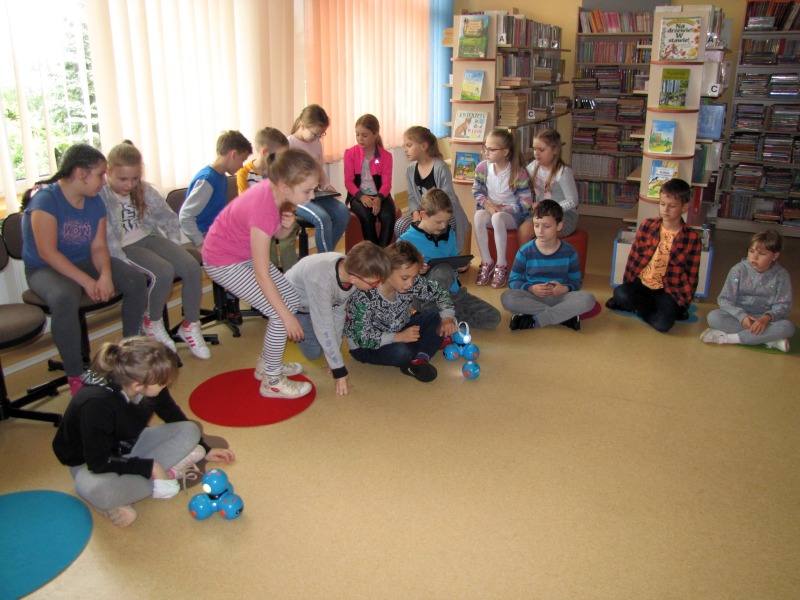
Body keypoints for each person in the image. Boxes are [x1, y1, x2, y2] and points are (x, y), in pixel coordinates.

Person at [52, 337, 236, 528]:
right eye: (163, 383)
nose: (167, 384)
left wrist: (205, 449)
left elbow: (172, 414)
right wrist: (151, 467)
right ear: (137, 385)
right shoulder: (97, 404)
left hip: (128, 444)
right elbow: (98, 462)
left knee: (190, 430)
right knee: (105, 494)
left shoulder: (145, 379)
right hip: (89, 463)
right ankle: (117, 497)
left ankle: (151, 479)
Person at [20, 144, 148, 396]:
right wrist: (89, 282)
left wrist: (105, 275)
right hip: (44, 268)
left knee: (134, 279)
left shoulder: (94, 201)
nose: (104, 181)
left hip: (84, 260)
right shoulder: (45, 201)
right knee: (64, 295)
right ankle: (76, 374)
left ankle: (128, 354)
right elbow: (48, 253)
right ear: (80, 173)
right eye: (100, 174)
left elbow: (99, 246)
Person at [202, 149, 320, 399]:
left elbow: (272, 234)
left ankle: (267, 364)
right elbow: (262, 273)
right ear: (286, 186)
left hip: (241, 254)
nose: (311, 196)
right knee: (279, 313)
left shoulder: (275, 192)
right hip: (222, 261)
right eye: (308, 191)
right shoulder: (263, 207)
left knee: (289, 299)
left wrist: (285, 228)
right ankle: (272, 381)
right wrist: (286, 317)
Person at [100, 141, 210, 360]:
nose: (129, 184)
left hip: (146, 237)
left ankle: (190, 325)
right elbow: (108, 238)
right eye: (123, 179)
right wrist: (121, 264)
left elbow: (167, 217)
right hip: (122, 247)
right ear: (108, 173)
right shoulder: (101, 195)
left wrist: (173, 243)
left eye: (134, 178)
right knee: (163, 271)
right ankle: (152, 321)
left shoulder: (143, 189)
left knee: (190, 266)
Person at [284, 241, 391, 395]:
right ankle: (292, 328)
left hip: (319, 304)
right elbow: (324, 325)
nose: (376, 286)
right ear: (354, 279)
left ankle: (314, 328)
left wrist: (335, 357)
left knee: (326, 342)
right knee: (314, 353)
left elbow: (339, 313)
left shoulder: (351, 274)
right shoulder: (322, 280)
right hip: (294, 307)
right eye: (373, 283)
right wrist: (339, 370)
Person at [345, 240, 457, 383]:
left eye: (414, 277)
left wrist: (447, 318)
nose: (410, 283)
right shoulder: (365, 295)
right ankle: (420, 348)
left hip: (400, 327)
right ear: (386, 271)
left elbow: (440, 293)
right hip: (366, 346)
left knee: (437, 318)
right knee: (402, 352)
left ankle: (420, 358)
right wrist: (397, 337)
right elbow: (362, 338)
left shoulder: (411, 282)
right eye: (405, 278)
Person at [606, 178, 701, 333]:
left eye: (672, 206)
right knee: (620, 293)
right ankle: (652, 309)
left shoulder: (692, 238)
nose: (665, 210)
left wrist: (684, 301)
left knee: (663, 325)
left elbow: (692, 274)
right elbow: (633, 259)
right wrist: (627, 283)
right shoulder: (647, 225)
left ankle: (639, 307)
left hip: (667, 289)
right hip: (642, 283)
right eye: (662, 204)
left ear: (685, 207)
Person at [398, 188, 500, 329]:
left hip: (452, 292)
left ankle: (441, 315)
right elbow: (397, 274)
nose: (443, 226)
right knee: (443, 270)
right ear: (423, 215)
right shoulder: (406, 241)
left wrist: (459, 265)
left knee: (493, 317)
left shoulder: (448, 232)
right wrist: (416, 270)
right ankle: (433, 313)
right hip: (423, 296)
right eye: (438, 221)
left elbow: (452, 259)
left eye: (446, 221)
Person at [179, 130, 252, 325]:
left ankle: (233, 297)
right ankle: (231, 301)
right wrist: (200, 242)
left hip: (215, 232)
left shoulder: (220, 176)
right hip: (202, 234)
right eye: (242, 160)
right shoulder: (208, 180)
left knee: (251, 245)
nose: (241, 166)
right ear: (233, 154)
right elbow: (185, 216)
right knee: (238, 254)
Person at [500, 200, 595, 331]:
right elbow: (513, 281)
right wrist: (531, 288)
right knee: (507, 298)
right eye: (536, 225)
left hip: (559, 297)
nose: (540, 231)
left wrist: (565, 288)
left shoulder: (570, 252)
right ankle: (564, 316)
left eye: (546, 226)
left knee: (588, 299)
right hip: (532, 297)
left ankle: (536, 320)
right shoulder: (525, 251)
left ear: (559, 226)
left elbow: (576, 282)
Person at [701, 230, 795, 352]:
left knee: (788, 327)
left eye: (762, 253)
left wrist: (766, 318)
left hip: (766, 319)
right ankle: (768, 339)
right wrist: (742, 316)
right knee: (713, 317)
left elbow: (783, 305)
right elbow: (725, 300)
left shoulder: (781, 275)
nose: (754, 257)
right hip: (740, 317)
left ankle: (731, 338)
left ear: (775, 256)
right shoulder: (738, 270)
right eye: (751, 251)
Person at [394, 125, 470, 255]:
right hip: (424, 214)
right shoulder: (410, 169)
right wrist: (415, 213)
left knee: (440, 224)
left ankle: (437, 255)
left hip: (445, 213)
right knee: (401, 225)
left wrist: (433, 215)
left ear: (424, 146)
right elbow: (412, 197)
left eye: (409, 145)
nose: (405, 150)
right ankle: (414, 257)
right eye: (404, 146)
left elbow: (449, 199)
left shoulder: (440, 168)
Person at [472, 128, 533, 289]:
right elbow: (477, 190)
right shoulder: (483, 167)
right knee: (478, 216)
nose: (486, 152)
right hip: (491, 209)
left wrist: (503, 209)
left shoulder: (517, 172)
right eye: (485, 148)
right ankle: (487, 262)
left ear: (505, 152)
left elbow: (526, 202)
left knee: (497, 217)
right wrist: (486, 204)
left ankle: (501, 265)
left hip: (513, 215)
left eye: (492, 149)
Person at [288, 104, 351, 252]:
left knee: (343, 213)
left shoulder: (316, 144)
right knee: (322, 219)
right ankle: (325, 259)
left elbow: (319, 169)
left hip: (315, 193)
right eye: (315, 134)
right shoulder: (289, 144)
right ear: (302, 126)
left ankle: (324, 255)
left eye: (321, 135)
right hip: (296, 196)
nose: (317, 138)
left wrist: (326, 184)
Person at [236, 127, 298, 271]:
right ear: (265, 152)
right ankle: (271, 275)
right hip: (259, 222)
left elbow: (288, 198)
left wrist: (287, 214)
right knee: (267, 249)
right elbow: (245, 204)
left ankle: (291, 276)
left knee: (287, 240)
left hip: (280, 217)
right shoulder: (244, 173)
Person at [518, 128, 579, 246]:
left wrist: (549, 209)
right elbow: (521, 183)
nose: (536, 153)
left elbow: (573, 201)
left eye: (541, 150)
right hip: (540, 213)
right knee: (524, 232)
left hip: (564, 214)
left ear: (555, 150)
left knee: (544, 233)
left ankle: (544, 258)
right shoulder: (533, 166)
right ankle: (525, 258)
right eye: (534, 149)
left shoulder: (563, 172)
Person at [343, 114, 396, 247]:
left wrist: (379, 198)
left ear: (375, 134)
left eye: (364, 135)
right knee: (367, 217)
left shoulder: (386, 156)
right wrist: (361, 196)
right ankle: (374, 253)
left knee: (388, 216)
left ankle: (382, 252)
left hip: (380, 195)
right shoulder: (350, 153)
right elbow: (348, 182)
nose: (360, 139)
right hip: (359, 196)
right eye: (357, 134)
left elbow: (386, 183)